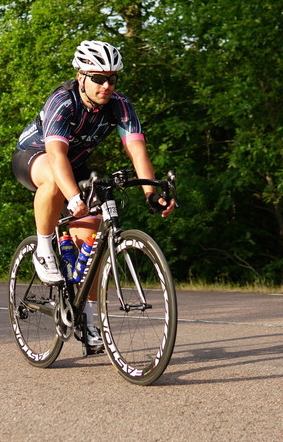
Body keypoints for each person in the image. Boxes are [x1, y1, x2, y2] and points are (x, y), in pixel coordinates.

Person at [12, 40, 175, 348]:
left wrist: (151, 193)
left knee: (93, 236)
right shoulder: (63, 100)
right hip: (36, 157)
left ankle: (85, 315)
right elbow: (56, 154)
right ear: (81, 76)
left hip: (76, 166)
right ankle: (44, 247)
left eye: (113, 78)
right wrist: (73, 197)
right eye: (99, 78)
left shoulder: (120, 105)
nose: (106, 85)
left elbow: (137, 151)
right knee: (53, 179)